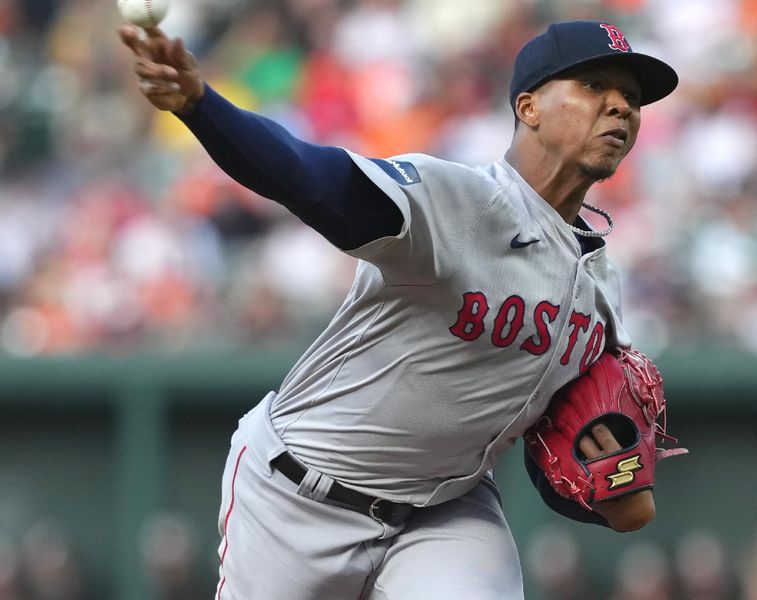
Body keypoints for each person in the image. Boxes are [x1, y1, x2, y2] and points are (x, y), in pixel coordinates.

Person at [120, 18, 678, 600]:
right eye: (594, 86)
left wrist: (606, 488)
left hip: (446, 510)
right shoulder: (460, 203)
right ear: (529, 107)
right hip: (298, 494)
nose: (620, 107)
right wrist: (202, 106)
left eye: (632, 99)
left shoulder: (601, 286)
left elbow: (549, 443)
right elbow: (315, 180)